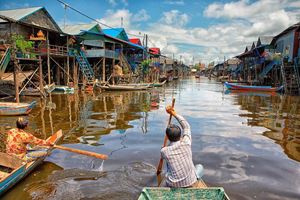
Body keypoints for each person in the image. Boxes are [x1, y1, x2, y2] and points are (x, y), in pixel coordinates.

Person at [160, 106, 198, 188]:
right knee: (199, 167)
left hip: (173, 184)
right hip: (191, 182)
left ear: (167, 137)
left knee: (168, 166)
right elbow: (186, 126)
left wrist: (163, 147)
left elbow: (163, 153)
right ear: (180, 135)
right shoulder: (186, 142)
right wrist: (173, 113)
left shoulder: (164, 151)